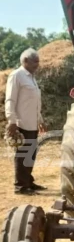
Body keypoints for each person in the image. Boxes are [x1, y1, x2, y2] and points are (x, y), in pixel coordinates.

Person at [5, 48, 47, 194]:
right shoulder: (16, 76)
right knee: (23, 154)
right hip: (21, 123)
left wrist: (40, 119)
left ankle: (28, 182)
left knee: (31, 154)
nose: (37, 65)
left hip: (32, 123)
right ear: (25, 61)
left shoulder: (31, 78)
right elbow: (10, 99)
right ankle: (21, 186)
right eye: (35, 62)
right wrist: (11, 121)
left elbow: (34, 102)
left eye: (38, 62)